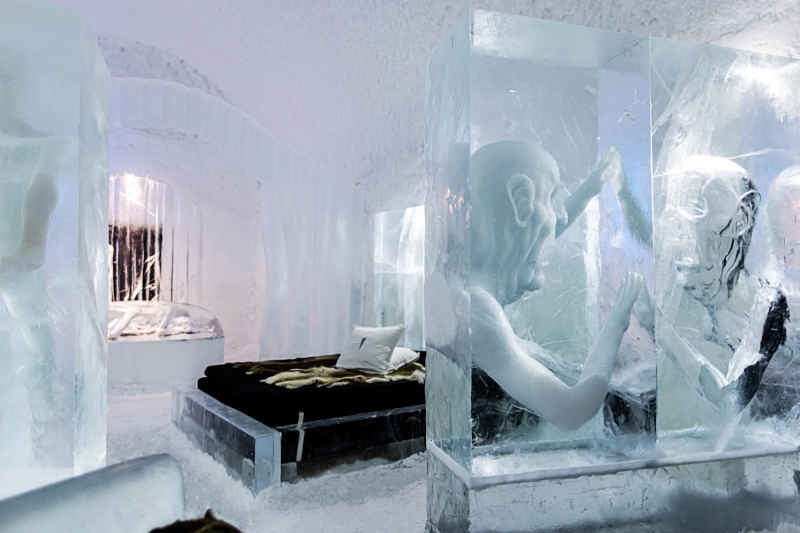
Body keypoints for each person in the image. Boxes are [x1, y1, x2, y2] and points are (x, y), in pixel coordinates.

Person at [462, 140, 644, 433]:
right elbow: (572, 410)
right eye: (552, 196)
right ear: (520, 203)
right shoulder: (478, 315)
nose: (560, 214)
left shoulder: (469, 280)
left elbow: (538, 231)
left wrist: (587, 191)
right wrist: (616, 323)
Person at [650, 156, 788, 416]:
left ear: (740, 220)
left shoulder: (765, 305)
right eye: (671, 211)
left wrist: (660, 328)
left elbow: (730, 401)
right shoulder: (684, 301)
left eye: (693, 207)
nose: (675, 227)